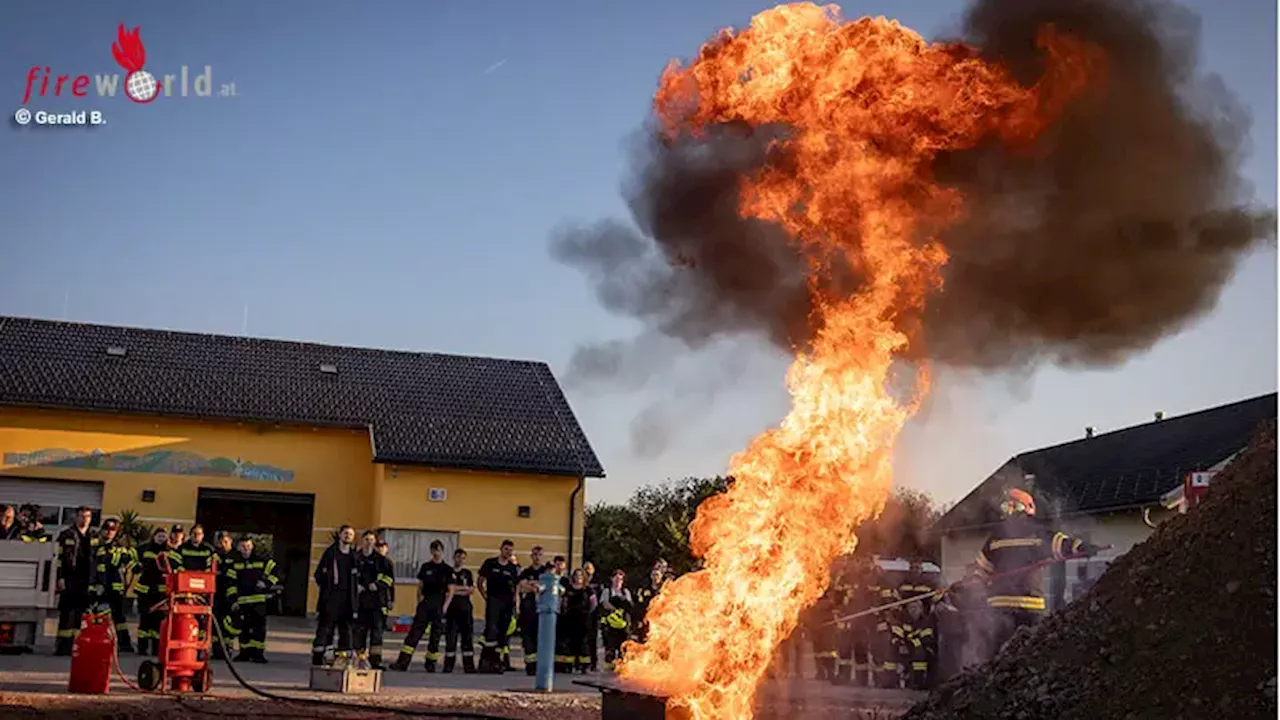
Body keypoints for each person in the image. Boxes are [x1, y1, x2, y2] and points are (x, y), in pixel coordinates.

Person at [971, 488, 1101, 662]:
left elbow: (980, 571)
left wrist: (968, 585)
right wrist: (1082, 547)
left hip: (999, 606)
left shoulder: (994, 538)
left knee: (996, 658)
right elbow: (1061, 544)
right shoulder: (1037, 532)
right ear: (1028, 508)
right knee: (1031, 655)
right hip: (1030, 605)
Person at [390, 539, 452, 672]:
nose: (436, 553)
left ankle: (431, 663)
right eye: (434, 550)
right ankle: (403, 663)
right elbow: (420, 587)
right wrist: (419, 602)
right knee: (414, 634)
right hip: (425, 603)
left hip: (439, 604)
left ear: (442, 552)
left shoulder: (447, 569)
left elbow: (450, 591)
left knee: (435, 636)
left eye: (438, 550)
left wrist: (445, 607)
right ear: (431, 551)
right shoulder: (426, 567)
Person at [53, 506, 99, 656]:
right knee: (67, 613)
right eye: (81, 516)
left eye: (87, 516)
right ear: (76, 517)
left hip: (87, 579)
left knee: (82, 614)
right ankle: (62, 647)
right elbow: (58, 559)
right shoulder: (66, 534)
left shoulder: (94, 536)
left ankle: (77, 645)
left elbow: (98, 560)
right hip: (70, 578)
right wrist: (59, 577)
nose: (84, 519)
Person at [226, 536, 279, 663]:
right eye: (243, 547)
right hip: (243, 602)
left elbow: (276, 571)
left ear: (252, 547)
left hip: (258, 601)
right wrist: (233, 600)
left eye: (248, 546)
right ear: (239, 548)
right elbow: (230, 583)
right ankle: (244, 653)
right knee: (243, 629)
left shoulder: (261, 560)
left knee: (259, 629)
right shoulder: (235, 563)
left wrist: (266, 583)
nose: (246, 550)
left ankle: (258, 654)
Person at [311, 525, 358, 666]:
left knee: (346, 631)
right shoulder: (330, 554)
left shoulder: (354, 557)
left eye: (350, 534)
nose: (348, 536)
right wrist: (327, 588)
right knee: (325, 629)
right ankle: (319, 658)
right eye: (345, 533)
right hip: (331, 598)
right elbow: (318, 575)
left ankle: (343, 661)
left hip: (348, 599)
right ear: (340, 535)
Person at [91, 518, 137, 652]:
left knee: (119, 618)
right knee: (97, 615)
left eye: (112, 530)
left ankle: (125, 644)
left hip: (116, 587)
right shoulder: (95, 545)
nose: (109, 532)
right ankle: (97, 641)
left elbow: (129, 562)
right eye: (107, 529)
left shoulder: (120, 548)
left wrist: (136, 566)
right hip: (98, 586)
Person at [352, 530, 395, 669]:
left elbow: (389, 579)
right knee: (359, 631)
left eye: (371, 540)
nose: (369, 542)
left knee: (377, 633)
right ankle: (359, 660)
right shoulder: (355, 558)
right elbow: (348, 575)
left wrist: (377, 585)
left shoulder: (382, 560)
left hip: (377, 601)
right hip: (360, 601)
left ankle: (375, 661)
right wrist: (355, 586)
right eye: (366, 539)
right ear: (362, 541)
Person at [476, 539, 521, 673]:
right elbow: (480, 582)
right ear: (501, 549)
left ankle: (497, 662)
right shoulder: (490, 563)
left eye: (510, 550)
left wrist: (516, 605)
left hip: (507, 603)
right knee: (491, 632)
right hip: (493, 600)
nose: (508, 552)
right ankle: (485, 662)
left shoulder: (512, 568)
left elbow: (517, 587)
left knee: (502, 633)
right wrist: (486, 597)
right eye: (506, 549)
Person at [134, 527, 172, 656]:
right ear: (154, 537)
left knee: (158, 622)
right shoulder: (145, 549)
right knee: (144, 621)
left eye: (163, 536)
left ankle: (156, 649)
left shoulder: (170, 552)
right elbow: (135, 564)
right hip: (145, 590)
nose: (161, 539)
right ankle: (142, 648)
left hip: (161, 592)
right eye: (159, 536)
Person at [441, 547, 477, 673]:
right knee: (451, 638)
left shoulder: (467, 573)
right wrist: (462, 589)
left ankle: (469, 666)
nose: (460, 560)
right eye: (458, 557)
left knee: (467, 638)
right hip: (451, 610)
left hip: (465, 610)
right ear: (453, 558)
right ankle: (448, 665)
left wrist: (455, 589)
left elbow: (471, 590)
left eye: (462, 558)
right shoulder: (447, 572)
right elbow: (447, 590)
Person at [515, 545, 550, 676]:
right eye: (534, 554)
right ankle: (530, 665)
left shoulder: (546, 572)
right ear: (531, 556)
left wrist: (533, 584)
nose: (537, 557)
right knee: (528, 638)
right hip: (528, 608)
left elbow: (546, 587)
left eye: (539, 555)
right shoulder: (526, 571)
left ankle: (540, 665)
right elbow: (522, 587)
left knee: (540, 637)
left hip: (542, 609)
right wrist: (535, 586)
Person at [558, 568, 596, 673]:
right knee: (569, 643)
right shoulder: (568, 589)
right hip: (570, 619)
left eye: (580, 575)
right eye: (576, 575)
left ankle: (584, 666)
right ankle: (568, 665)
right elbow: (564, 602)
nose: (578, 577)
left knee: (583, 643)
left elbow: (593, 604)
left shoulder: (588, 590)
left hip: (583, 620)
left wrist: (587, 613)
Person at [598, 568, 633, 669]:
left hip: (623, 624)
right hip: (610, 624)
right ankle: (610, 666)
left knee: (624, 647)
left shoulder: (626, 592)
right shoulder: (607, 591)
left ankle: (623, 666)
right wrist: (615, 610)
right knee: (610, 647)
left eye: (620, 579)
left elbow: (629, 606)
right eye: (616, 579)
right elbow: (604, 603)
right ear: (612, 579)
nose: (618, 581)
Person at [212, 531, 237, 660]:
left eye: (226, 541)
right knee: (215, 624)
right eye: (221, 542)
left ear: (231, 542)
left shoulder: (235, 556)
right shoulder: (215, 555)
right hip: (217, 594)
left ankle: (227, 650)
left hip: (230, 595)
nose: (223, 544)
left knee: (228, 624)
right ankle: (216, 650)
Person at [633, 561, 668, 644]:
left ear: (661, 576)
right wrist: (639, 619)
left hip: (661, 621)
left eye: (657, 575)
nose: (655, 577)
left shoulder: (666, 589)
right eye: (653, 575)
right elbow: (639, 605)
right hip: (646, 621)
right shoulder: (644, 589)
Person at [581, 561, 602, 671]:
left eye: (589, 571)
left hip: (594, 615)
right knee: (582, 639)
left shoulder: (597, 584)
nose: (588, 573)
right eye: (586, 570)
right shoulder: (580, 582)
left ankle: (594, 663)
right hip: (582, 615)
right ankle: (581, 663)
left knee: (592, 640)